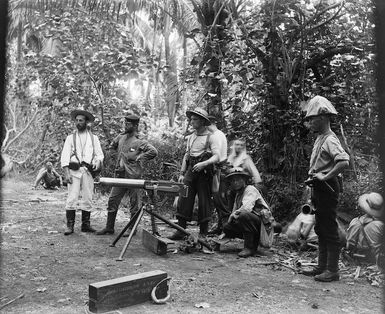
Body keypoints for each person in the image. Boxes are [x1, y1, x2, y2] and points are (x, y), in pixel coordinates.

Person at [301, 95, 350, 282]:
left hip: (328, 187)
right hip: (319, 188)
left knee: (329, 228)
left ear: (323, 118)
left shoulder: (330, 139)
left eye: (312, 119)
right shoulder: (320, 138)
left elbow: (344, 161)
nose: (310, 123)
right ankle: (321, 267)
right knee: (321, 228)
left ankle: (332, 270)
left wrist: (325, 176)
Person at [96, 114, 158, 235]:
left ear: (135, 125)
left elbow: (153, 151)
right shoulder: (121, 137)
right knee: (112, 200)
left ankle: (132, 229)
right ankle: (109, 227)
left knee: (134, 203)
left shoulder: (139, 141)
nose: (125, 125)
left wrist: (140, 158)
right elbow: (111, 147)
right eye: (125, 123)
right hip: (120, 176)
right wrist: (116, 158)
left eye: (128, 124)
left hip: (133, 177)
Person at [168, 108, 220, 240]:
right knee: (184, 198)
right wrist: (182, 173)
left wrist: (204, 163)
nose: (192, 121)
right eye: (191, 119)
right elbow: (187, 155)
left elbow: (217, 157)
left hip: (204, 173)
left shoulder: (211, 137)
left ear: (202, 121)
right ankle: (181, 230)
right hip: (191, 171)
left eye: (195, 119)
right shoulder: (191, 137)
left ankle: (203, 233)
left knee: (204, 201)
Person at [60, 109, 104, 235]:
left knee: (88, 197)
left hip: (88, 171)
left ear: (86, 122)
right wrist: (66, 173)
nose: (78, 123)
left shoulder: (94, 138)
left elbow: (99, 155)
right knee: (72, 197)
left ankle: (86, 225)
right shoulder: (70, 138)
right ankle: (70, 226)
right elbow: (65, 156)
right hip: (74, 170)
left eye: (81, 121)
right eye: (77, 120)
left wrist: (97, 162)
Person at [222, 169, 274, 258]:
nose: (235, 182)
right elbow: (235, 211)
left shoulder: (250, 189)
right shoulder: (238, 194)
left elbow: (246, 208)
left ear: (244, 180)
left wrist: (233, 216)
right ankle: (251, 241)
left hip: (263, 225)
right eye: (233, 181)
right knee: (227, 226)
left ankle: (249, 247)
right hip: (251, 223)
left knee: (244, 215)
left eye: (238, 180)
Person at [346, 192, 384, 269]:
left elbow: (348, 244)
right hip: (374, 260)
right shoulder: (380, 225)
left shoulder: (354, 221)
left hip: (356, 258)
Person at [207, 115, 229, 235]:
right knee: (217, 200)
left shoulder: (217, 135)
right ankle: (221, 227)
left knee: (220, 200)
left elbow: (217, 156)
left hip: (220, 169)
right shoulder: (217, 134)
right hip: (218, 170)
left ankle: (226, 229)